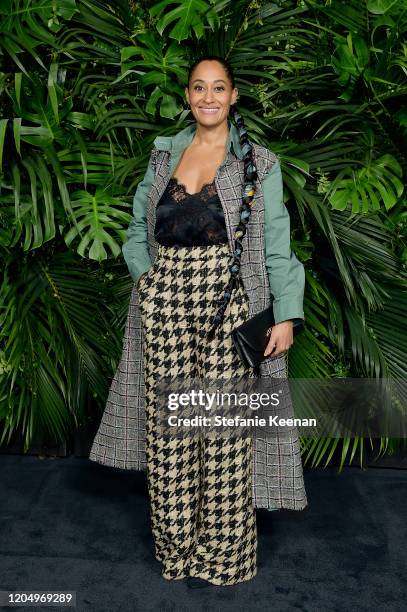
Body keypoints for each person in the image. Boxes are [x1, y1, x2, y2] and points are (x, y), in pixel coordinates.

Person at [91, 54, 307, 588]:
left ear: (234, 96)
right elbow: (136, 228)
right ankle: (176, 549)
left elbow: (276, 245)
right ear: (188, 96)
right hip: (164, 306)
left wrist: (285, 314)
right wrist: (147, 280)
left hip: (230, 306)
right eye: (198, 88)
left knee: (224, 435)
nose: (208, 97)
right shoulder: (164, 155)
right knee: (169, 435)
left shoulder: (259, 163)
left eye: (219, 88)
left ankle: (224, 556)